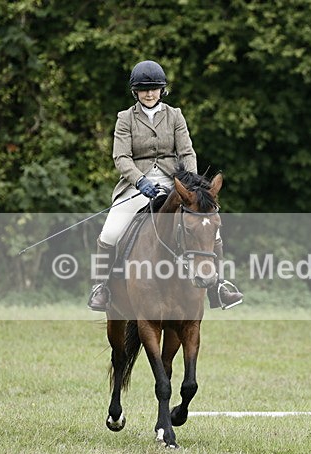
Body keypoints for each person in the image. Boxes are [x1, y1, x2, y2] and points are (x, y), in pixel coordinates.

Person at [88, 59, 243, 312]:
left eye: (154, 88)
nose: (149, 93)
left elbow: (187, 152)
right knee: (110, 232)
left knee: (211, 229)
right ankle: (101, 287)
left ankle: (217, 286)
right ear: (135, 91)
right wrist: (140, 181)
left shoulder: (175, 115)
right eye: (144, 89)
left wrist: (191, 186)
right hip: (138, 185)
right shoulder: (125, 118)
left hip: (176, 185)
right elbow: (121, 157)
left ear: (162, 90)